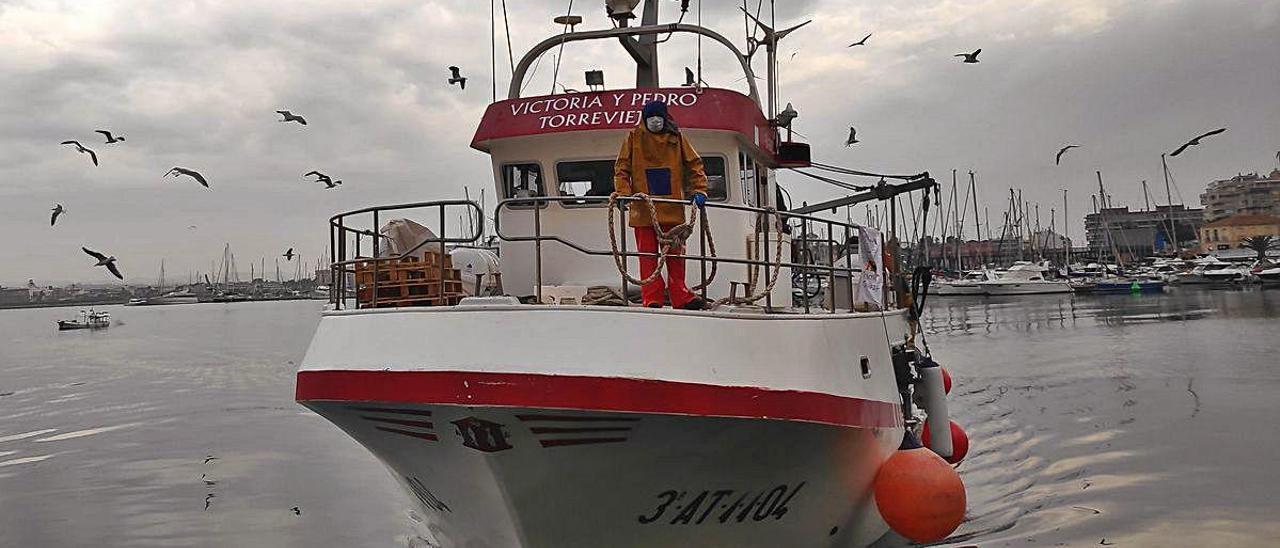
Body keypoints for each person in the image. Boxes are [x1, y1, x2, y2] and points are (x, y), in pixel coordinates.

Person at [613, 99, 709, 310]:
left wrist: (699, 189)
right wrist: (623, 193)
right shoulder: (633, 137)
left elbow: (694, 164)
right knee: (647, 258)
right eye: (651, 117)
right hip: (643, 210)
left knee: (676, 258)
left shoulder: (677, 137)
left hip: (672, 210)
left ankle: (681, 296)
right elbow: (622, 168)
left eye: (659, 117)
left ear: (665, 118)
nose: (655, 121)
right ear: (644, 118)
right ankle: (652, 298)